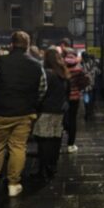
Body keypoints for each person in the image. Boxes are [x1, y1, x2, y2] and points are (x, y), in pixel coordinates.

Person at [0, 31, 46, 197]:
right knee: (18, 147)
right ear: (27, 45)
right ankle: (13, 183)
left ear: (11, 44)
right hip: (24, 112)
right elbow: (42, 90)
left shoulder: (0, 62)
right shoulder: (36, 65)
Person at [34, 49, 69, 180]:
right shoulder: (63, 73)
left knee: (44, 140)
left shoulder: (47, 74)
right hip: (59, 111)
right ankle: (53, 165)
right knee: (55, 139)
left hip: (46, 110)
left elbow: (40, 92)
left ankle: (43, 169)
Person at [64, 52, 91, 153]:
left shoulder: (62, 69)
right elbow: (86, 81)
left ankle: (64, 129)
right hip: (75, 97)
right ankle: (70, 144)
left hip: (63, 98)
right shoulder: (79, 69)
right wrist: (79, 88)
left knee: (63, 118)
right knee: (73, 119)